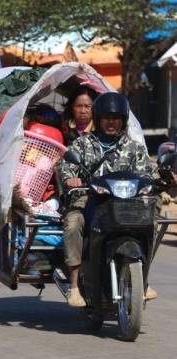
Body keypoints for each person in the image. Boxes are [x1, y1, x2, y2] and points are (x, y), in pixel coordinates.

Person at [59, 92, 155, 306]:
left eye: (116, 118)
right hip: (88, 200)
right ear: (98, 119)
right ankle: (74, 286)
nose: (111, 122)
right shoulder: (82, 144)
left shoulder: (134, 147)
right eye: (106, 118)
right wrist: (71, 179)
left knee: (151, 221)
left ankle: (143, 279)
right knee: (73, 224)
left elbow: (146, 173)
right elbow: (66, 168)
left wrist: (149, 183)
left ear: (123, 120)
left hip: (125, 203)